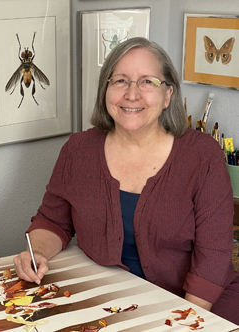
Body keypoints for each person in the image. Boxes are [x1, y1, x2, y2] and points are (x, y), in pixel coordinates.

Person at [14, 37, 239, 325]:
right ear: (105, 91)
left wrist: (180, 321)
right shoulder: (78, 150)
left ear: (168, 94)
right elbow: (53, 220)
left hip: (198, 306)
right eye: (120, 80)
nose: (132, 94)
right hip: (111, 300)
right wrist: (37, 253)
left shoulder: (202, 156)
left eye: (147, 81)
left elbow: (214, 255)